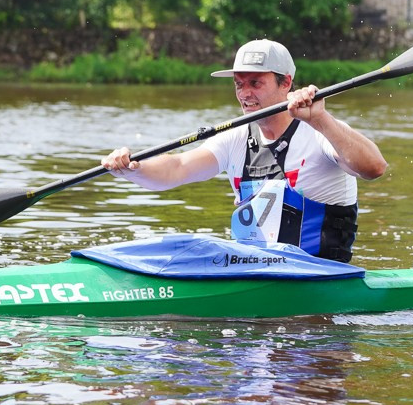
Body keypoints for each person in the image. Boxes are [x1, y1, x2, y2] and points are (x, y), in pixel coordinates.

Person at [101, 39, 387, 262]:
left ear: (286, 82)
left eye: (255, 83)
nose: (244, 94)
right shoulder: (236, 138)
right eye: (239, 84)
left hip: (320, 275)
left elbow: (374, 167)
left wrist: (322, 120)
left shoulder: (320, 132)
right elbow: (178, 169)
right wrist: (132, 168)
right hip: (257, 271)